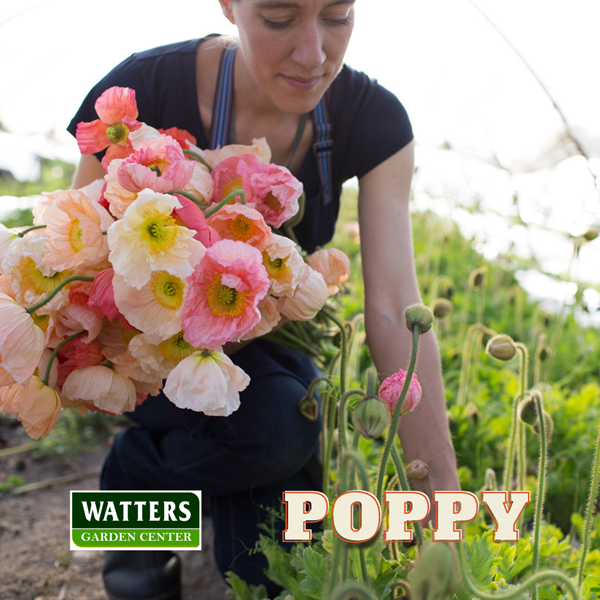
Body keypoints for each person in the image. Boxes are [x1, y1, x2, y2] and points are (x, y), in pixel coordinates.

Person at [69, 1, 460, 598]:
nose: (314, 54)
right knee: (280, 435)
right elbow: (79, 268)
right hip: (152, 352)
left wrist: (442, 507)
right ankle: (132, 487)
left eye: (337, 16)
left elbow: (392, 309)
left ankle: (140, 508)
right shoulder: (145, 90)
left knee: (285, 449)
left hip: (270, 346)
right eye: (279, 17)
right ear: (230, 5)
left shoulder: (371, 119)